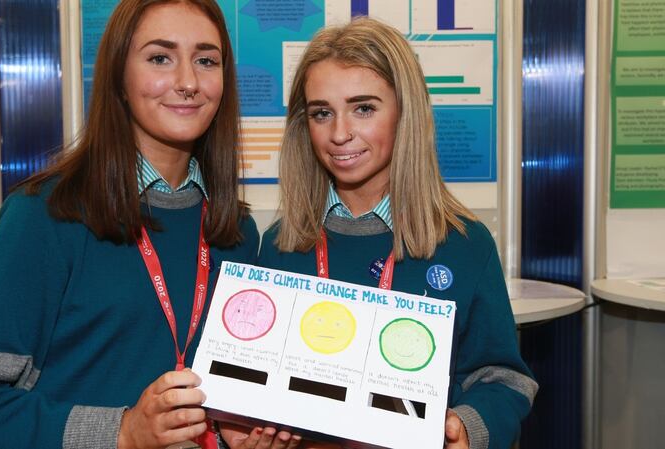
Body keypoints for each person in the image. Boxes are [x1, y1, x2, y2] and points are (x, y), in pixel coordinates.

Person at [0, 1, 261, 448]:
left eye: (206, 61)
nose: (188, 82)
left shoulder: (236, 232)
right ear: (118, 76)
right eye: (160, 58)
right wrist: (122, 432)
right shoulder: (45, 216)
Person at [222, 17, 537, 449]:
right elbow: (253, 380)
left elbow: (503, 378)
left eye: (364, 108)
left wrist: (468, 428)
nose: (339, 134)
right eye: (321, 113)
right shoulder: (282, 244)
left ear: (405, 112)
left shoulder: (464, 243)